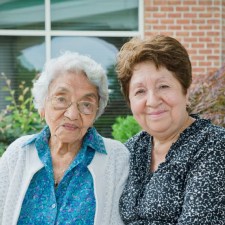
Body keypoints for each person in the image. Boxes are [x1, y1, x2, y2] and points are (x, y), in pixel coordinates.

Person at [0, 52, 129, 225]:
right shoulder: (18, 153)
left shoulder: (116, 158)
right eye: (61, 99)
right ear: (42, 105)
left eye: (86, 104)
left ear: (96, 112)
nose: (72, 114)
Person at [116, 34, 225, 225]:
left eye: (163, 86)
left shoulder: (213, 146)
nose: (152, 101)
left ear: (186, 90)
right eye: (140, 91)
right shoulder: (130, 150)